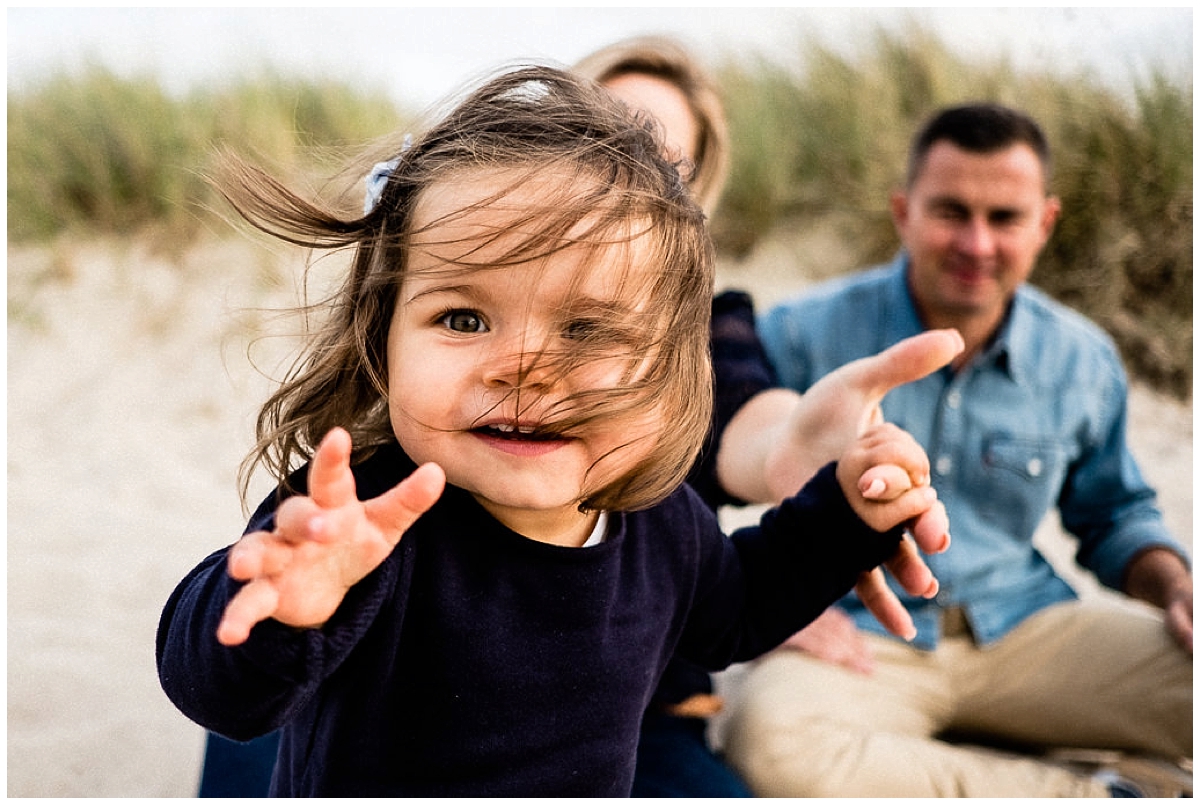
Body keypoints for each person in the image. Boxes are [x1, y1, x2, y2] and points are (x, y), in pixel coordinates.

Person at [192, 37, 966, 798]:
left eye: (587, 329)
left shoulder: (664, 524)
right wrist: (283, 617)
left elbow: (737, 605)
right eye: (464, 319)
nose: (522, 366)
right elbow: (222, 695)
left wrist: (843, 517)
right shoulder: (367, 519)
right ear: (382, 337)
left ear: (671, 362)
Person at [720, 102, 1193, 798]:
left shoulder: (1081, 360)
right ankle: (1098, 790)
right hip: (863, 644)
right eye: (951, 212)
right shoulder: (798, 334)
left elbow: (1114, 514)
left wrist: (1178, 586)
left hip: (1029, 631)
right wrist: (758, 604)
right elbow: (705, 478)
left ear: (1045, 224)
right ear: (903, 212)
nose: (976, 242)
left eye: (1004, 217)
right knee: (767, 737)